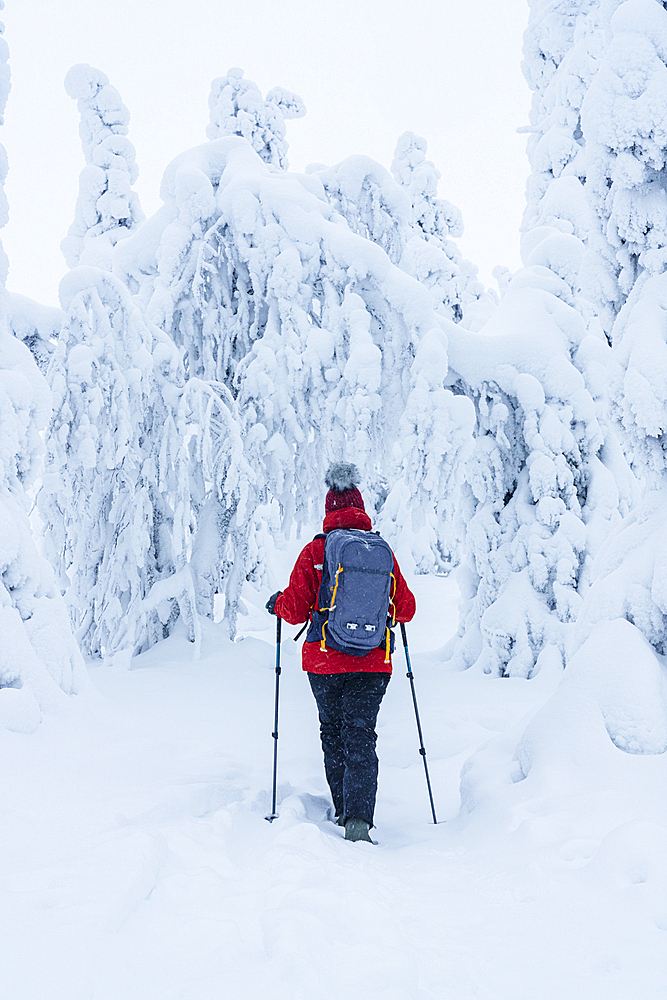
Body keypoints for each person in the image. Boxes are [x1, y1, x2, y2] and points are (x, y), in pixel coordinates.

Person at [266, 463, 416, 843]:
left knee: (333, 733)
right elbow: (408, 608)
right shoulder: (381, 552)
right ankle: (359, 821)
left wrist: (277, 605)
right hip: (373, 662)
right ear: (361, 508)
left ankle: (344, 810)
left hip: (325, 661)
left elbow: (297, 609)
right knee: (362, 735)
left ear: (329, 508)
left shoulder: (316, 551)